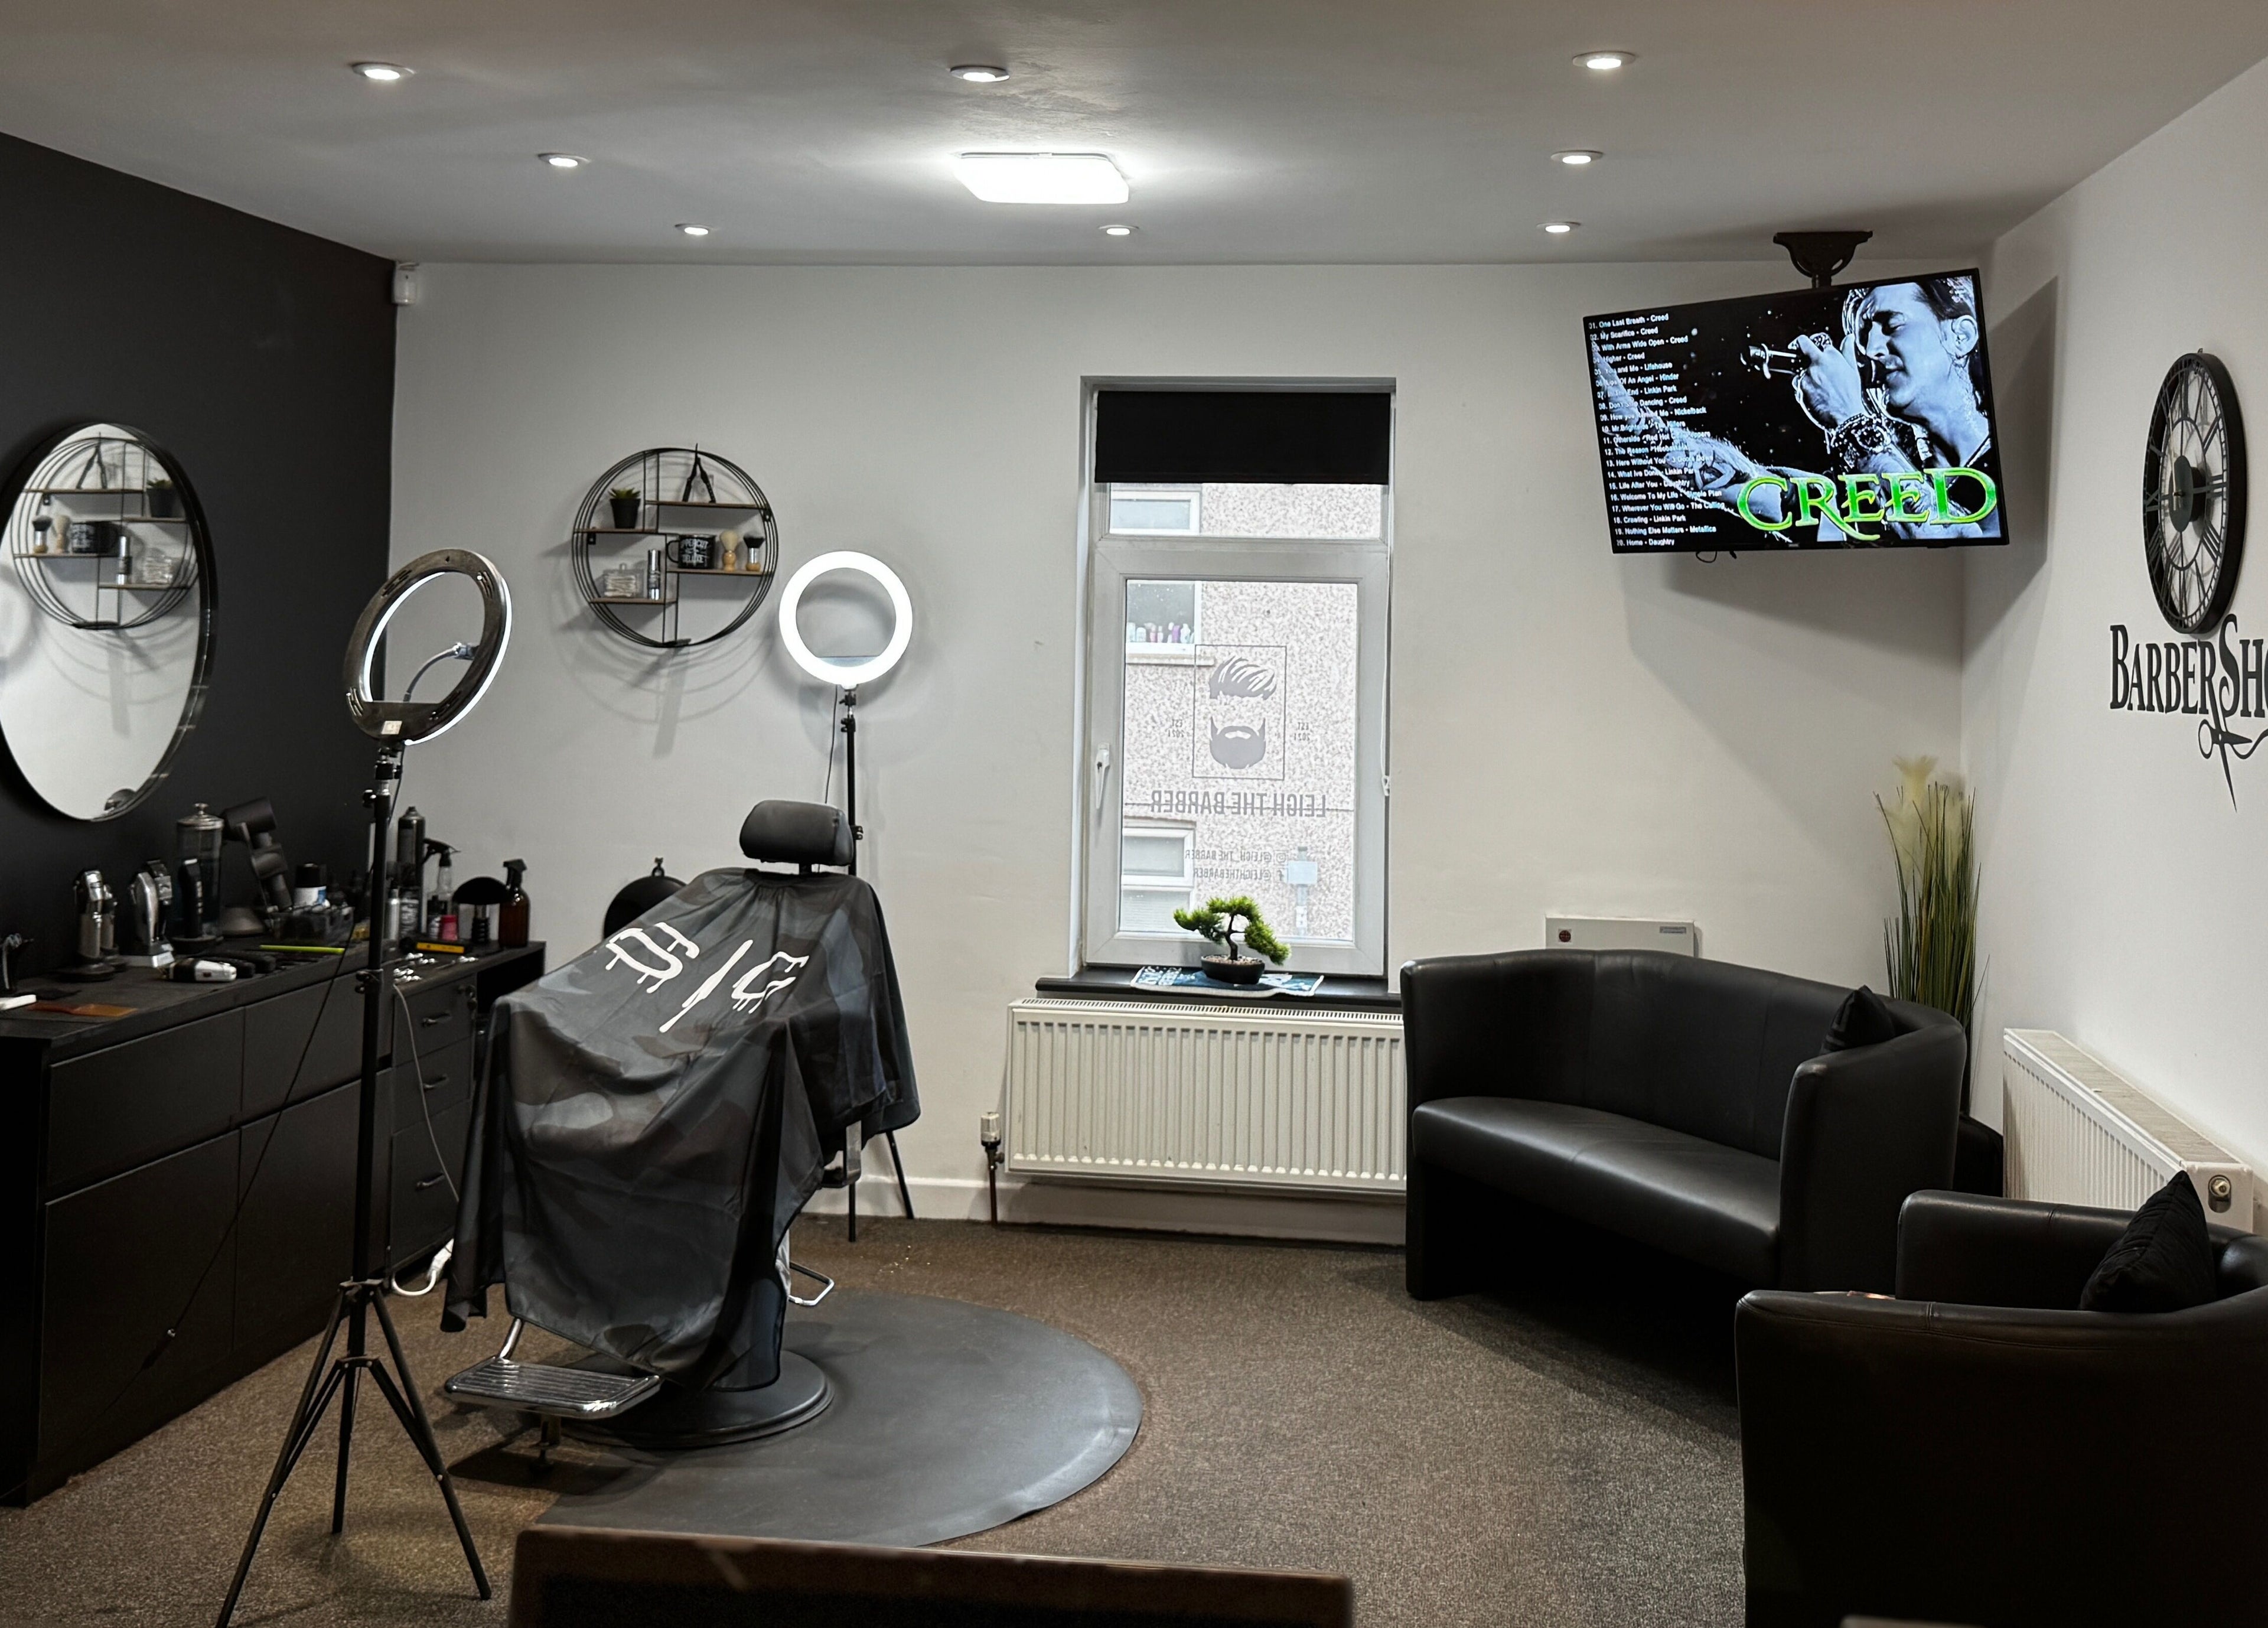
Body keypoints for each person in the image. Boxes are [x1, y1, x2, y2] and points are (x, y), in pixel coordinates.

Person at [1592, 274, 1999, 543]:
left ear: (1960, 335)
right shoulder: (1876, 478)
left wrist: (1850, 419)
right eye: (1864, 337)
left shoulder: (2006, 459)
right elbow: (1755, 487)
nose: (1871, 350)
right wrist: (1634, 422)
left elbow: (1952, 540)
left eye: (1891, 325)